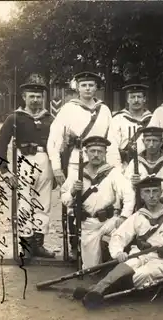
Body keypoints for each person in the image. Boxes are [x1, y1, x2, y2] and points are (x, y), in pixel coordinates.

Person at [75, 176, 163, 309]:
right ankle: (97, 292)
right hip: (139, 254)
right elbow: (119, 235)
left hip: (162, 259)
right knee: (121, 270)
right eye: (147, 192)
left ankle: (98, 292)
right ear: (141, 195)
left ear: (161, 193)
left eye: (155, 191)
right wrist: (118, 252)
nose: (151, 196)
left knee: (142, 275)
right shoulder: (138, 215)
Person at [48, 71, 112, 259]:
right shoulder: (69, 108)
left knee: (100, 199)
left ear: (96, 88)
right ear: (77, 87)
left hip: (101, 160)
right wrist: (57, 167)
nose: (87, 89)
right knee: (75, 199)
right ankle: (75, 244)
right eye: (83, 85)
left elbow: (112, 139)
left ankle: (100, 245)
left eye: (91, 85)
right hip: (77, 159)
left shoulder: (104, 110)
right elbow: (55, 138)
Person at [0, 74, 55, 258]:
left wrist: (60, 171)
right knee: (25, 204)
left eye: (39, 96)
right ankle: (26, 245)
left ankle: (38, 244)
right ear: (24, 97)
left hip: (45, 161)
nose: (35, 100)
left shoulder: (50, 119)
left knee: (44, 204)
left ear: (43, 98)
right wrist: (4, 170)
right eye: (31, 96)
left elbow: (59, 146)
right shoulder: (14, 118)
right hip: (24, 161)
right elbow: (0, 144)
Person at [60, 136, 135, 269]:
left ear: (105, 153)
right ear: (86, 152)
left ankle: (115, 267)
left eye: (100, 151)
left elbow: (129, 195)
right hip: (88, 225)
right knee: (91, 269)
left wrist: (124, 216)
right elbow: (65, 199)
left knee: (121, 239)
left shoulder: (113, 173)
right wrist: (72, 191)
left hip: (109, 221)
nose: (96, 155)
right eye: (92, 151)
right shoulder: (76, 174)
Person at [125, 127, 163, 212]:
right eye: (148, 140)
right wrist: (133, 184)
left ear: (161, 142)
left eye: (155, 141)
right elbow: (126, 192)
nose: (151, 144)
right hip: (141, 207)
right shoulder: (135, 162)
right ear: (143, 141)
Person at [106, 83, 152, 172]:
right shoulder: (118, 119)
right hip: (125, 165)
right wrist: (118, 170)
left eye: (139, 97)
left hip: (147, 166)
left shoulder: (152, 119)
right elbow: (112, 147)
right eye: (132, 97)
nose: (136, 100)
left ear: (144, 99)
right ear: (127, 99)